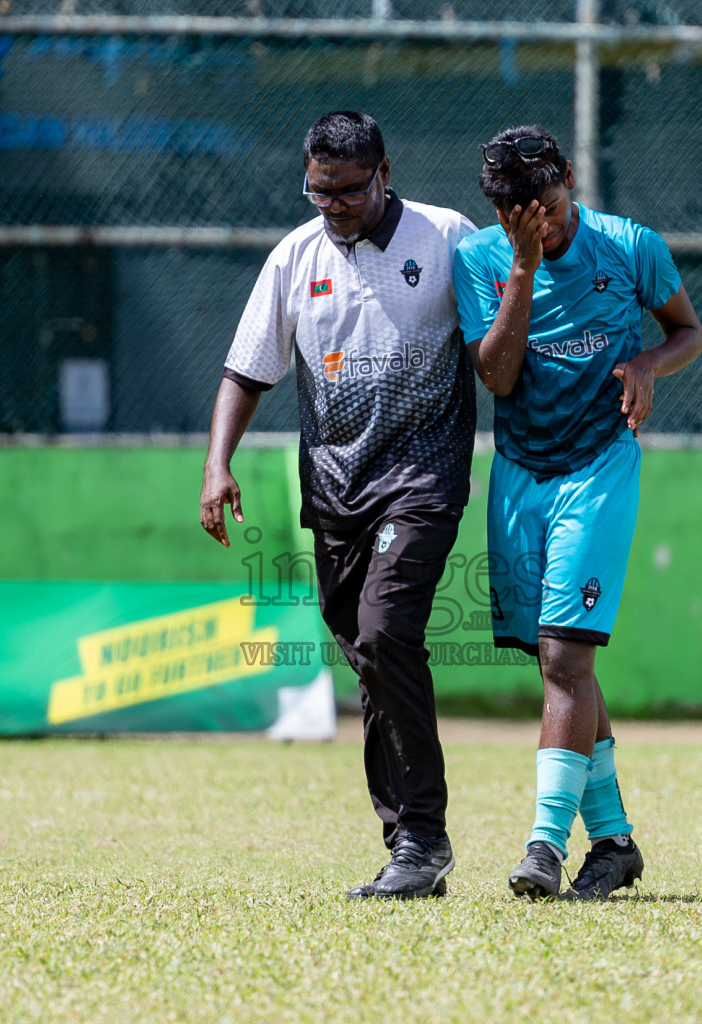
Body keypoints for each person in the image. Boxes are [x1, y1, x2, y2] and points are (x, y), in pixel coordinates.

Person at [199, 111, 477, 900]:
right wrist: (217, 465)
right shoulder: (296, 255)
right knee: (368, 657)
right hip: (335, 490)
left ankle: (422, 835)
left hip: (421, 478)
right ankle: (409, 849)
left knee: (388, 634)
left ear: (385, 171)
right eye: (319, 193)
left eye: (349, 191)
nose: (334, 206)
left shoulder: (447, 237)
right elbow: (247, 371)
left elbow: (499, 344)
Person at [452, 125, 702, 900]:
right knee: (557, 658)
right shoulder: (480, 262)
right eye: (521, 218)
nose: (544, 225)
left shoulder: (630, 246)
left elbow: (688, 331)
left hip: (599, 468)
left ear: (569, 178)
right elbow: (495, 379)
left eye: (553, 207)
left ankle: (542, 845)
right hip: (521, 472)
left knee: (567, 659)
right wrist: (522, 271)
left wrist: (647, 363)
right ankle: (617, 843)